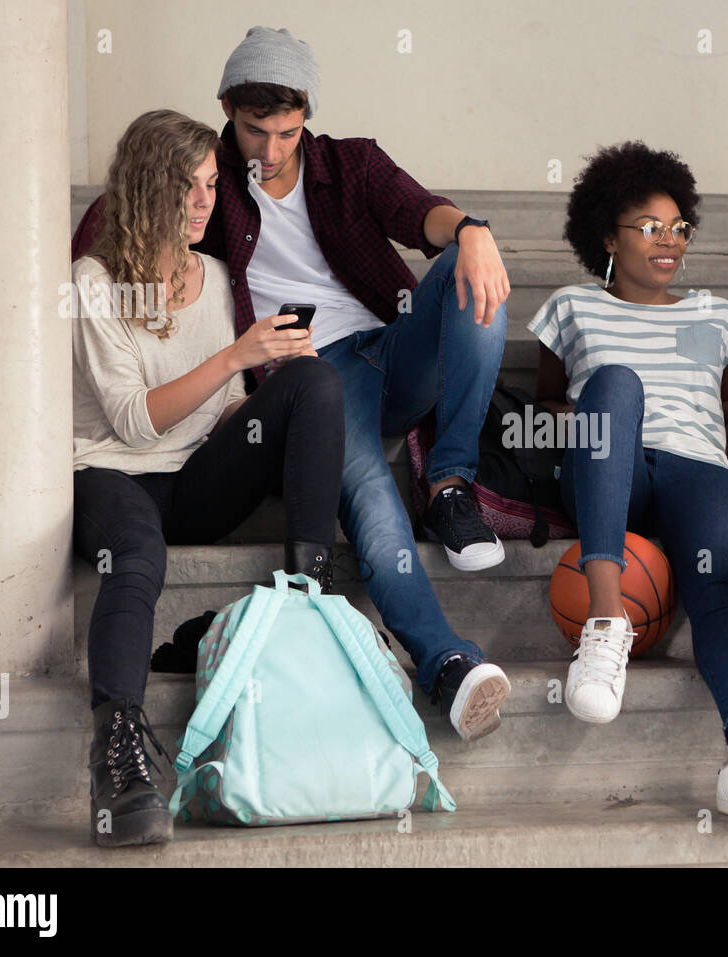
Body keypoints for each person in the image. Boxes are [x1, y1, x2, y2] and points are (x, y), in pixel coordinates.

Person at [72, 26, 513, 741]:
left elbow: (418, 211)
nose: (270, 151)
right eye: (254, 131)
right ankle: (447, 662)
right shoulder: (204, 180)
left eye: (286, 131)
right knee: (371, 504)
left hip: (390, 349)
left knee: (469, 274)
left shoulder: (350, 164)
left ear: (307, 113)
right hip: (309, 382)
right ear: (225, 110)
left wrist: (471, 229)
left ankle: (453, 484)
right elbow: (123, 213)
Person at [71, 110, 347, 846]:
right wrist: (234, 357)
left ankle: (309, 601)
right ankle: (120, 759)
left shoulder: (217, 276)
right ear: (146, 187)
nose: (205, 200)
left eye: (212, 184)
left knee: (315, 383)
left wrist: (268, 399)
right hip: (112, 475)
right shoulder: (94, 282)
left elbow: (224, 406)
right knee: (136, 554)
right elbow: (133, 420)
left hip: (193, 481)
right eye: (189, 185)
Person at [529, 142, 728, 824]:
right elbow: (545, 412)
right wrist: (599, 418)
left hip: (696, 469)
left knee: (719, 583)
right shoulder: (571, 308)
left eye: (679, 227)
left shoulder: (713, 312)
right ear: (607, 236)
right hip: (606, 465)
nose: (670, 240)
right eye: (650, 227)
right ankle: (605, 621)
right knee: (618, 383)